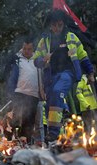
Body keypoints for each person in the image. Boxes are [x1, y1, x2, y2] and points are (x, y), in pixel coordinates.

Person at [33, 10, 95, 143]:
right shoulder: (44, 41)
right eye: (54, 25)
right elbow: (35, 61)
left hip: (68, 73)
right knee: (51, 105)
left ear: (63, 25)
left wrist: (90, 73)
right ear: (50, 25)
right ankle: (64, 111)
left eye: (59, 25)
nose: (57, 28)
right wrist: (43, 59)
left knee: (57, 91)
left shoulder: (71, 37)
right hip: (50, 77)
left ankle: (53, 133)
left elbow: (83, 56)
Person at [6, 38, 39, 144]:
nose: (26, 51)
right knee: (14, 119)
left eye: (29, 49)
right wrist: (11, 92)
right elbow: (9, 76)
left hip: (34, 95)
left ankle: (26, 144)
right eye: (24, 49)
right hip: (19, 93)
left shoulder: (38, 60)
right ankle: (10, 142)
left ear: (33, 49)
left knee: (29, 121)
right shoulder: (17, 59)